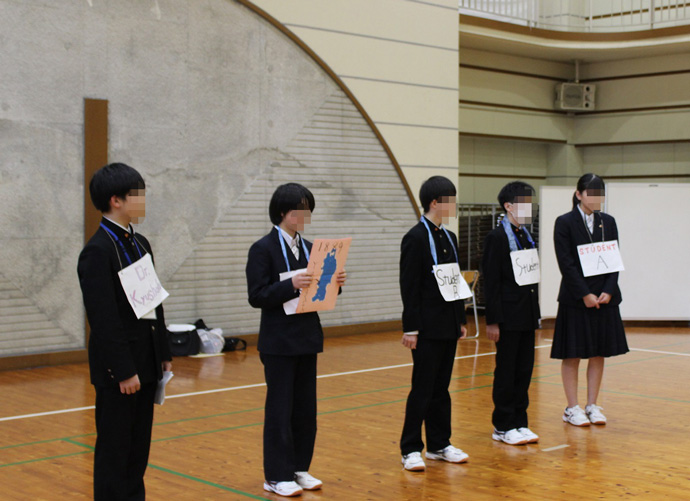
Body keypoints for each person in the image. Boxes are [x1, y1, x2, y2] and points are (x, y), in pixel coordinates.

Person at [77, 163, 172, 500]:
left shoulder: (140, 243)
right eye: (138, 195)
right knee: (115, 451)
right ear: (115, 200)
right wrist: (124, 370)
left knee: (137, 450)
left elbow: (153, 303)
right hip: (120, 370)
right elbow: (102, 320)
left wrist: (163, 353)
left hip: (146, 362)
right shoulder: (97, 251)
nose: (143, 201)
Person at [246, 183, 346, 497]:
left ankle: (299, 467)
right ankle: (276, 475)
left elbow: (320, 291)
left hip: (306, 338)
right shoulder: (262, 249)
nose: (305, 216)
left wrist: (335, 281)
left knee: (305, 409)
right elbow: (257, 295)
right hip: (278, 342)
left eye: (308, 210)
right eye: (298, 210)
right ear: (281, 213)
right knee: (280, 409)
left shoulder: (312, 248)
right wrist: (290, 284)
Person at [399, 176, 469, 472]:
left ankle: (440, 444)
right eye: (450, 200)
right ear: (434, 203)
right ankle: (411, 448)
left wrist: (461, 319)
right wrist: (411, 328)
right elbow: (409, 286)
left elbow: (455, 279)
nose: (454, 206)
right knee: (423, 387)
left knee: (442, 387)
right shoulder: (415, 237)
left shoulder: (450, 238)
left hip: (448, 324)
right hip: (426, 327)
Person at [551, 173, 628, 426]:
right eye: (591, 194)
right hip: (576, 298)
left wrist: (608, 289)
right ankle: (572, 407)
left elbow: (614, 259)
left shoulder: (609, 221)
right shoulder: (564, 222)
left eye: (600, 194)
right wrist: (584, 293)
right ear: (579, 194)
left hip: (605, 298)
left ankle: (592, 404)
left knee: (598, 353)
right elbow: (566, 263)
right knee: (572, 354)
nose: (596, 199)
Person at [482, 181, 541, 446]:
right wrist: (492, 320)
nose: (530, 207)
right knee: (506, 371)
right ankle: (503, 424)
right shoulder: (496, 238)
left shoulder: (527, 235)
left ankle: (520, 420)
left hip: (526, 314)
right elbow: (490, 281)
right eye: (525, 202)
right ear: (509, 206)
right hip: (507, 316)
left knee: (524, 369)